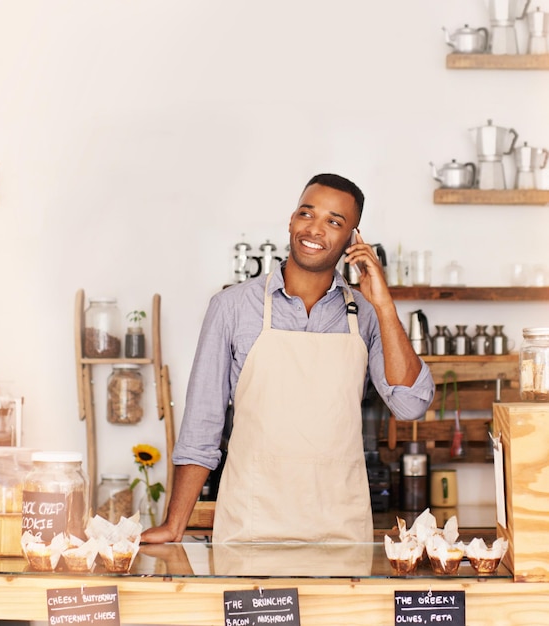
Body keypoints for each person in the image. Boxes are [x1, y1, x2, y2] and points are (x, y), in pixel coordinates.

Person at [142, 173, 435, 544]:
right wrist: (175, 525)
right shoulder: (231, 307)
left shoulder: (366, 314)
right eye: (306, 214)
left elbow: (410, 405)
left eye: (334, 221)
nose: (314, 229)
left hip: (341, 527)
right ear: (291, 221)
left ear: (352, 240)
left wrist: (384, 305)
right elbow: (202, 425)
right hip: (251, 524)